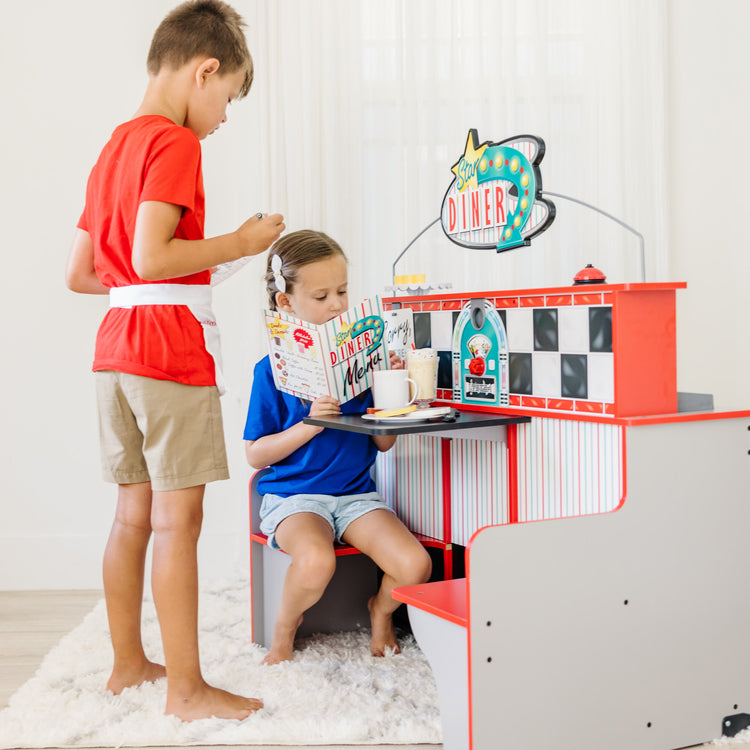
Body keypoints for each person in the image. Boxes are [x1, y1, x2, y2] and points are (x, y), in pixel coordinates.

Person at [65, 0, 285, 722]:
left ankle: (129, 666)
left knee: (132, 516)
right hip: (167, 352)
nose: (221, 118)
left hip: (115, 350)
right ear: (205, 70)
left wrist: (150, 278)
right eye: (225, 99)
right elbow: (155, 254)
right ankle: (187, 691)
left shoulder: (112, 148)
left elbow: (86, 272)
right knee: (175, 523)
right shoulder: (174, 144)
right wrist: (239, 244)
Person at [244, 230, 432, 665]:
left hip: (354, 496)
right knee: (315, 562)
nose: (337, 305)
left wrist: (392, 399)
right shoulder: (269, 371)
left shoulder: (361, 366)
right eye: (322, 295)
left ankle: (380, 612)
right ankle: (283, 631)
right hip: (294, 498)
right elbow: (255, 455)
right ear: (286, 304)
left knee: (414, 566)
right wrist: (311, 424)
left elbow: (382, 444)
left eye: (343, 292)